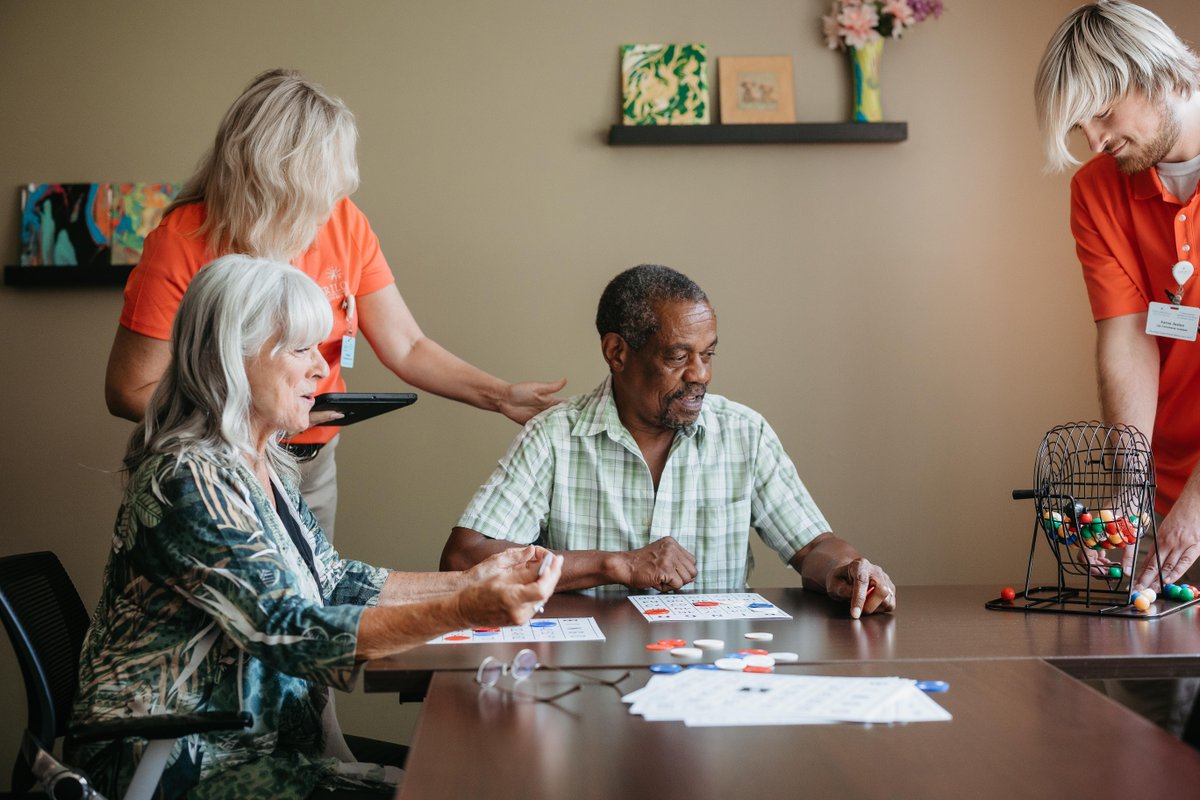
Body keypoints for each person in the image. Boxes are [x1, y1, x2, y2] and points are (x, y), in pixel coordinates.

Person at [71, 255, 562, 800]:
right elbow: (287, 629)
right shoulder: (189, 480)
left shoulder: (263, 463)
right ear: (232, 356)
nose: (320, 370)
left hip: (252, 747)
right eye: (300, 349)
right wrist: (466, 609)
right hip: (177, 759)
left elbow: (331, 580)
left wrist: (471, 582)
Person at [104, 68, 564, 541]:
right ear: (270, 180)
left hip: (312, 460)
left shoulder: (343, 221)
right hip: (216, 460)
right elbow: (129, 389)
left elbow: (406, 345)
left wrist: (501, 396)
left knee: (314, 593)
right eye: (318, 192)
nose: (331, 208)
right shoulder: (182, 241)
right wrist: (254, 416)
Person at [441, 264, 896, 618]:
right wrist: (614, 565)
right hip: (585, 684)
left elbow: (813, 547)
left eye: (708, 353)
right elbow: (464, 560)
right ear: (617, 353)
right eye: (678, 356)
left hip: (715, 681)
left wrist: (850, 570)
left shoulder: (745, 433)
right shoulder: (554, 437)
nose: (700, 374)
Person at [1034, 0, 1200, 738]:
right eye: (1082, 126)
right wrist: (1131, 488)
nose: (1095, 140)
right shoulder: (1098, 189)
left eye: (1102, 112)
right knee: (1146, 722)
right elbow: (1128, 339)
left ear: (1160, 72)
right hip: (1170, 496)